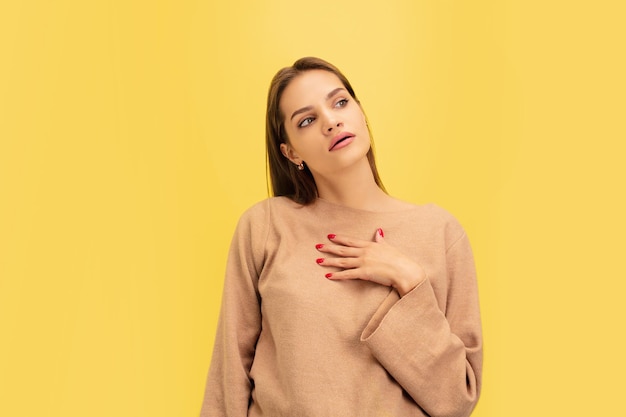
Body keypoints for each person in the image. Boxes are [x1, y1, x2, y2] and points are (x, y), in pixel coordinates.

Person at [200, 57, 482, 417]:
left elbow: (456, 400)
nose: (331, 121)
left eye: (340, 102)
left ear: (361, 112)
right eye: (306, 120)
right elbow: (229, 378)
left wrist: (409, 281)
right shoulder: (265, 226)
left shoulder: (440, 232)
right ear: (291, 152)